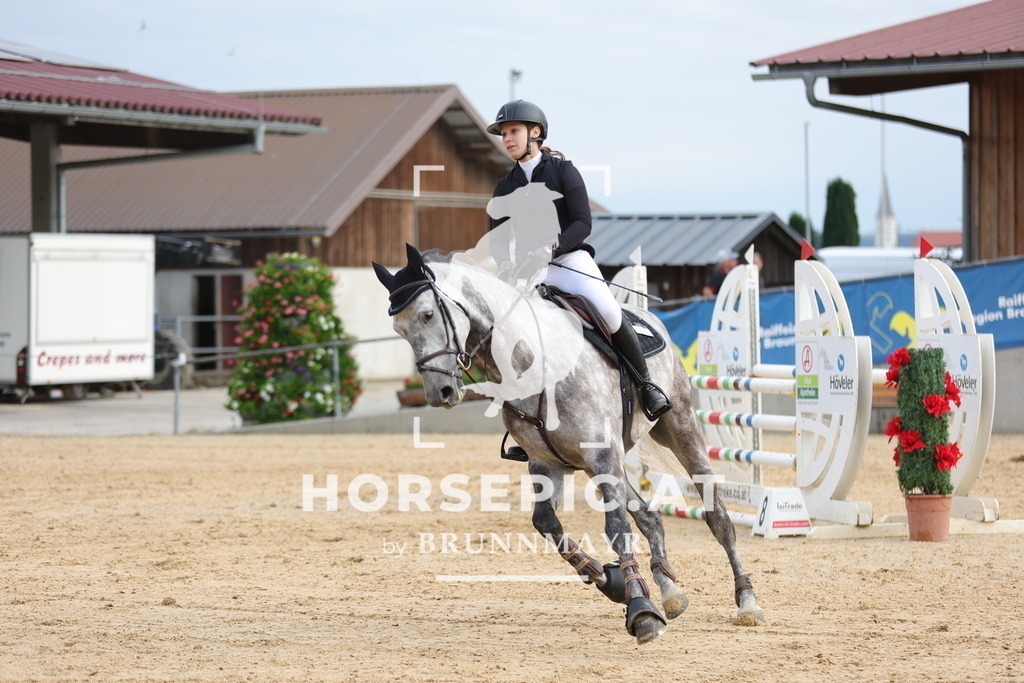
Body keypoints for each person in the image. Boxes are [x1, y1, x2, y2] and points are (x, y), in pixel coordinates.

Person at [485, 99, 671, 432]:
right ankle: (520, 416)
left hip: (569, 260)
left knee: (610, 312)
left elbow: (583, 222)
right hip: (530, 271)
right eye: (503, 134)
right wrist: (505, 265)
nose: (507, 139)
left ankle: (646, 385)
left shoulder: (563, 171)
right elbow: (497, 237)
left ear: (535, 132)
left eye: (513, 131)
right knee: (506, 326)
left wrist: (553, 246)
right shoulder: (504, 186)